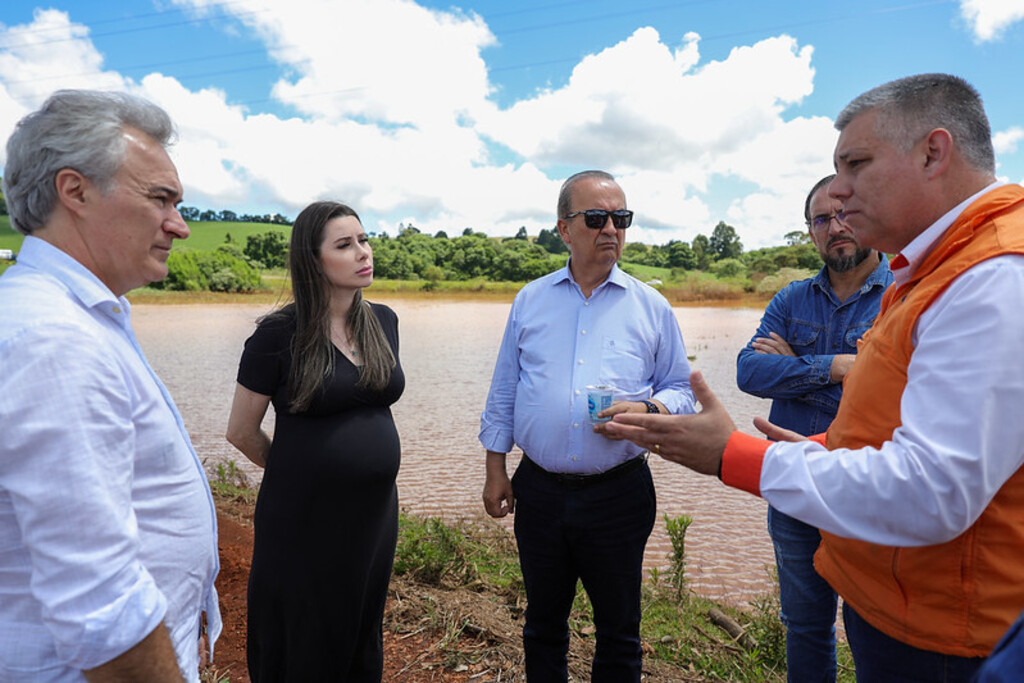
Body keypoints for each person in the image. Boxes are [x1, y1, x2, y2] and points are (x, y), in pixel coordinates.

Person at [605, 73, 1024, 681]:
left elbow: (930, 490)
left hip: (945, 631)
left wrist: (733, 455)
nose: (842, 195)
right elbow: (755, 368)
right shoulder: (932, 270)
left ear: (934, 152)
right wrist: (835, 396)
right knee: (805, 626)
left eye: (856, 164)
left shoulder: (992, 277)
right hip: (890, 584)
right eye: (826, 200)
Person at [0, 90, 221, 681]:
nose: (180, 226)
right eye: (161, 199)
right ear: (74, 191)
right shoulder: (53, 338)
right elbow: (99, 603)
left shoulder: (81, 315)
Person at [480, 170, 696, 682]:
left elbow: (681, 390)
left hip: (618, 494)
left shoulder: (651, 306)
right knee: (542, 624)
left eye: (621, 219)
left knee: (619, 630)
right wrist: (496, 469)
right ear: (564, 229)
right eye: (596, 218)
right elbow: (505, 390)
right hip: (539, 490)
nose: (610, 230)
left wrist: (648, 411)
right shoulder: (530, 300)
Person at [226, 200, 404, 681]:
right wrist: (302, 471)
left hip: (374, 514)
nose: (363, 252)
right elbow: (240, 431)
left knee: (361, 623)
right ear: (312, 259)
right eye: (344, 245)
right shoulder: (277, 335)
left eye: (363, 240)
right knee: (306, 633)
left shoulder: (383, 321)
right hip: (304, 517)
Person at [735, 174, 892, 681]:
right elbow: (748, 372)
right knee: (804, 625)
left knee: (877, 626)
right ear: (810, 232)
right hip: (796, 487)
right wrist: (836, 368)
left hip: (874, 487)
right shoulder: (790, 300)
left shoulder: (901, 294)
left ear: (868, 215)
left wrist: (797, 369)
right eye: (821, 219)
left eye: (845, 213)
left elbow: (897, 393)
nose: (835, 226)